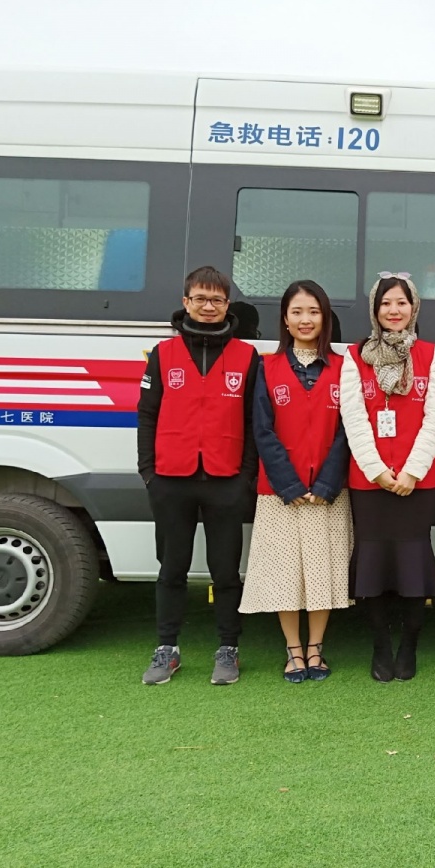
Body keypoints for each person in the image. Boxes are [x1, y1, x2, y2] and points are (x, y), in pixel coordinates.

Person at [138, 266, 258, 686]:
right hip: (172, 478)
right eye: (200, 299)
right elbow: (147, 415)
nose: (209, 307)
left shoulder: (246, 357)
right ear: (186, 302)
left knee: (225, 571)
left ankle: (228, 649)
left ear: (228, 305)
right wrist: (149, 473)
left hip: (226, 480)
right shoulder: (163, 354)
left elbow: (254, 421)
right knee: (172, 569)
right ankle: (167, 648)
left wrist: (245, 478)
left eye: (217, 300)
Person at [239, 280, 352, 683]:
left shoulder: (345, 368)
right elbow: (261, 430)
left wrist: (326, 484)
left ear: (325, 319)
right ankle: (293, 650)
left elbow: (348, 430)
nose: (306, 320)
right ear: (285, 320)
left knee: (323, 572)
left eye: (314, 312)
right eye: (297, 312)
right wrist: (288, 485)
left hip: (328, 493)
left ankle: (316, 648)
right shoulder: (266, 367)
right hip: (280, 493)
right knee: (285, 574)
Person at [341, 273, 435, 682]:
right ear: (375, 309)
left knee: (412, 565)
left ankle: (409, 647)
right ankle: (381, 647)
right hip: (370, 482)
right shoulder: (355, 357)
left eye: (401, 302)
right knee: (372, 566)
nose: (394, 310)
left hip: (416, 484)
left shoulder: (432, 356)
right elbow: (353, 418)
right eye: (385, 303)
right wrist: (377, 471)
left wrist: (411, 471)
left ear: (413, 307)